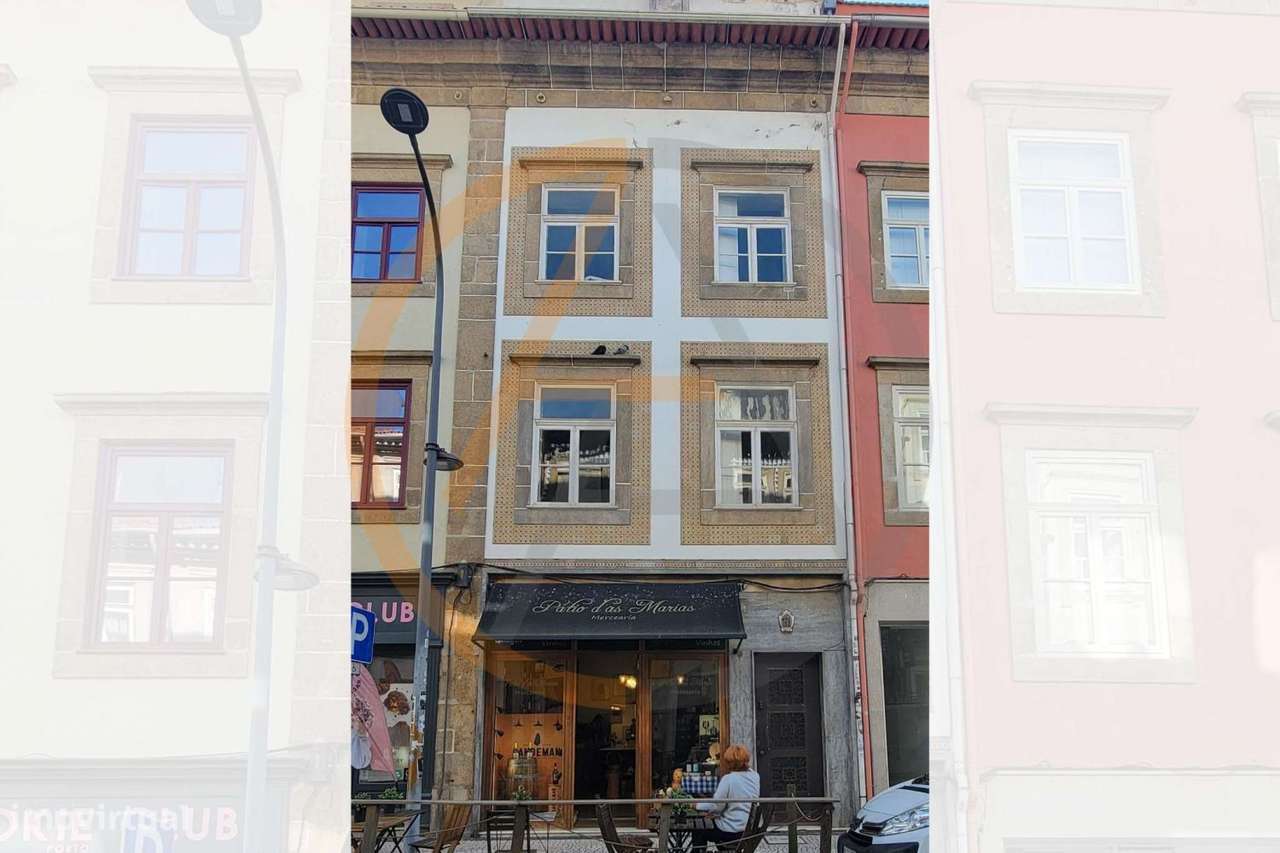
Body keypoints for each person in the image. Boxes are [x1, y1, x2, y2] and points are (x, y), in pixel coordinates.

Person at [691, 744, 759, 853]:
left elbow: (716, 805)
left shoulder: (729, 779)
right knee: (707, 824)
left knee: (698, 829)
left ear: (731, 763)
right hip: (746, 830)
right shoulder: (755, 776)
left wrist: (697, 805)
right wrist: (716, 813)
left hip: (730, 830)